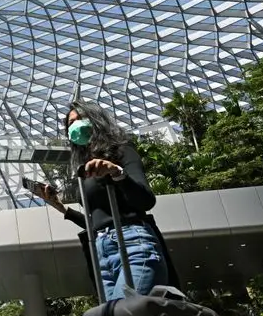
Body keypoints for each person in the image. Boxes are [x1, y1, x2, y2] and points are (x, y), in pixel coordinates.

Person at [30, 100, 178, 302]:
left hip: (132, 242)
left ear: (95, 121)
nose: (74, 126)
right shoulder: (84, 169)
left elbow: (145, 200)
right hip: (101, 253)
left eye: (79, 119)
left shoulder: (121, 151)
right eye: (70, 124)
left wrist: (117, 173)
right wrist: (61, 208)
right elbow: (99, 222)